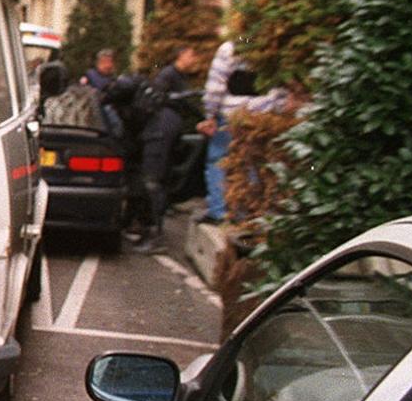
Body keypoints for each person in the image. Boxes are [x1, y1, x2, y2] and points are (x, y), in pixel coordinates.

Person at [195, 39, 291, 224]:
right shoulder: (274, 45)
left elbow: (216, 87)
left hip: (232, 115)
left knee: (219, 161)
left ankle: (220, 211)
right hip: (265, 115)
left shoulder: (230, 48)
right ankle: (252, 213)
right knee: (254, 163)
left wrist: (210, 114)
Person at [124, 45, 205, 253]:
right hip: (159, 134)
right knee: (153, 183)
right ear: (180, 55)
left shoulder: (174, 78)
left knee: (154, 183)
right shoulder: (169, 76)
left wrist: (203, 120)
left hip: (160, 134)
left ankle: (154, 235)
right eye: (192, 54)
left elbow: (185, 104)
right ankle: (152, 232)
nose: (195, 59)